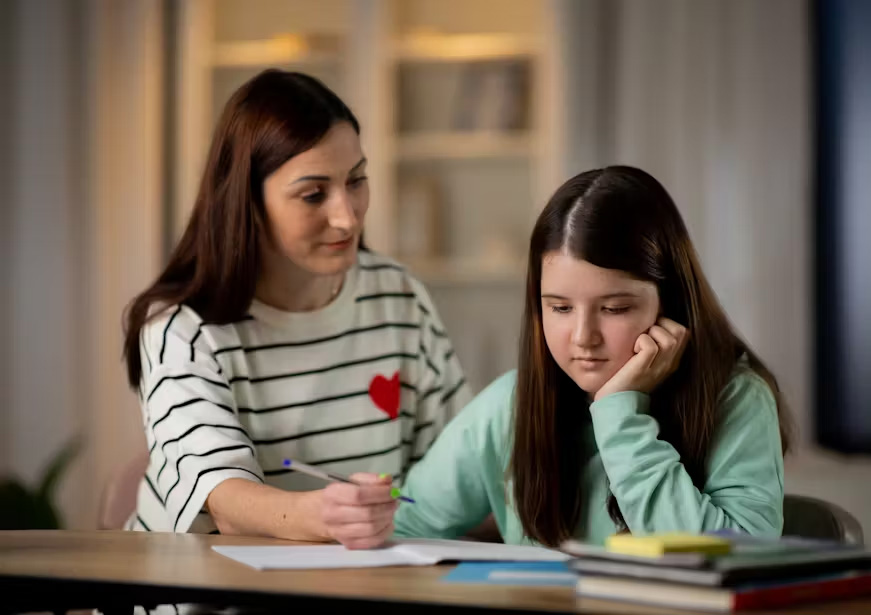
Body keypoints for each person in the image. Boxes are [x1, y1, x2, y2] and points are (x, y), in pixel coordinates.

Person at [123, 70, 470, 549]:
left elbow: (460, 462)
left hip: (358, 585)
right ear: (247, 202)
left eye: (357, 181)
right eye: (313, 194)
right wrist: (324, 514)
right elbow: (223, 500)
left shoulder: (399, 297)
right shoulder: (181, 330)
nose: (346, 215)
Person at [394, 165, 790, 547]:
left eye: (615, 308)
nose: (583, 337)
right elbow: (405, 520)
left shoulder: (736, 399)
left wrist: (620, 416)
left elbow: (738, 560)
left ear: (670, 305)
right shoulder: (511, 404)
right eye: (560, 308)